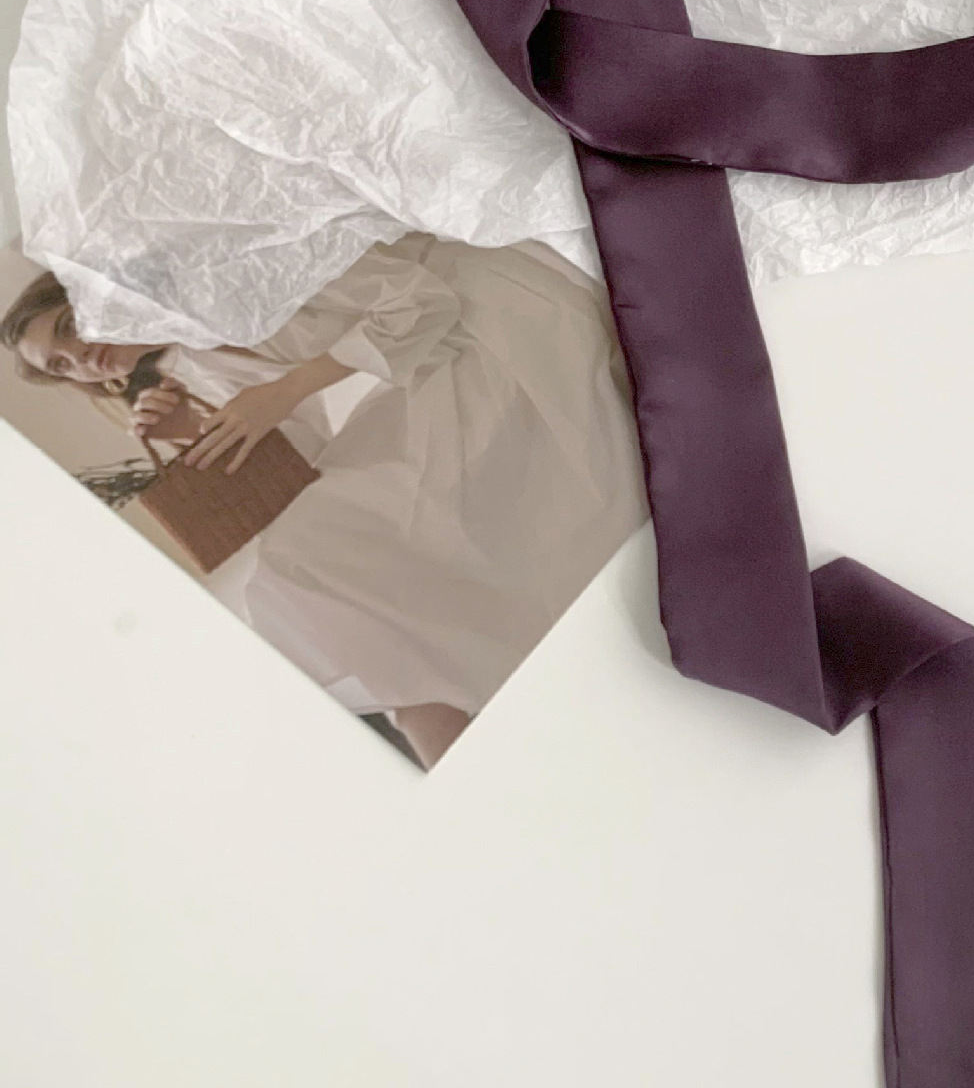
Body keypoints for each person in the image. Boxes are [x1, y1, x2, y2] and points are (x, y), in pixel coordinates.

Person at [2, 236, 645, 768]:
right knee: (315, 560)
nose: (79, 357)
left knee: (332, 548)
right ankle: (452, 749)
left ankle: (464, 747)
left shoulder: (216, 275)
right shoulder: (190, 371)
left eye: (67, 328)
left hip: (481, 316)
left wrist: (282, 392)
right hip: (432, 364)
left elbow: (418, 301)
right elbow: (305, 453)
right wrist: (192, 429)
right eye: (61, 367)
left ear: (89, 295)